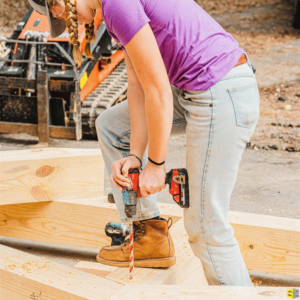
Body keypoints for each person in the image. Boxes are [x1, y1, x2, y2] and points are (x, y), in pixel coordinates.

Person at [28, 0, 260, 286]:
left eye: (57, 12)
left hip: (220, 90)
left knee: (206, 226)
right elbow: (138, 84)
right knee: (112, 127)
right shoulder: (113, 11)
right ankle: (150, 236)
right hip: (196, 88)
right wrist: (136, 157)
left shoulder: (116, 6)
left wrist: (156, 165)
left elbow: (159, 91)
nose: (64, 20)